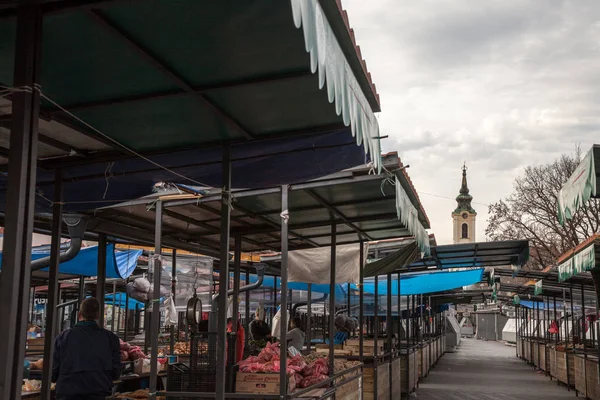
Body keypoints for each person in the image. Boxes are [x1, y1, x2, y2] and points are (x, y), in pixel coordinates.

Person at [52, 297, 121, 400]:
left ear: (80, 314)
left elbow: (53, 371)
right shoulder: (111, 338)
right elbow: (116, 372)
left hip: (67, 393)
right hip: (98, 392)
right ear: (98, 315)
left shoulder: (63, 337)